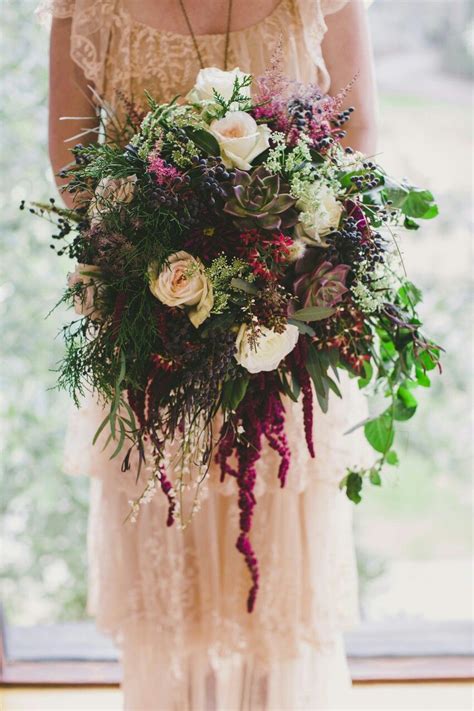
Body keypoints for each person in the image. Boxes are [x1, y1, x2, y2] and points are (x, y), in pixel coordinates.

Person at [46, 1, 376, 708]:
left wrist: (282, 253)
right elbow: (72, 171)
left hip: (279, 333)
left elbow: (359, 138)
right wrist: (158, 237)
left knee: (274, 594)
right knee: (173, 592)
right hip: (153, 337)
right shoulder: (86, 8)